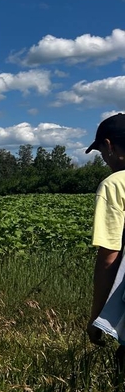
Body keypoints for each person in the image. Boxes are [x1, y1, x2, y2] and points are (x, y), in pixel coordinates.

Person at [84, 113, 125, 370]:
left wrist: (97, 317)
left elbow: (109, 255)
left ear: (109, 146)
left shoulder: (114, 185)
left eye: (101, 153)